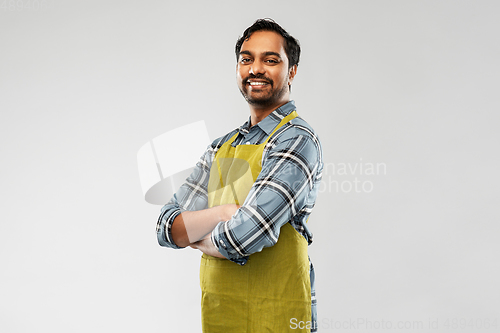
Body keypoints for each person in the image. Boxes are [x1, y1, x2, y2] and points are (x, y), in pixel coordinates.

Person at [156, 18, 323, 332]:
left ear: (292, 71)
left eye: (270, 60)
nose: (255, 69)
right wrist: (222, 213)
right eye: (247, 59)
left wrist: (197, 236)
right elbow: (167, 226)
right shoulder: (221, 146)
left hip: (278, 310)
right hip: (222, 310)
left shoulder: (297, 140)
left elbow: (244, 235)